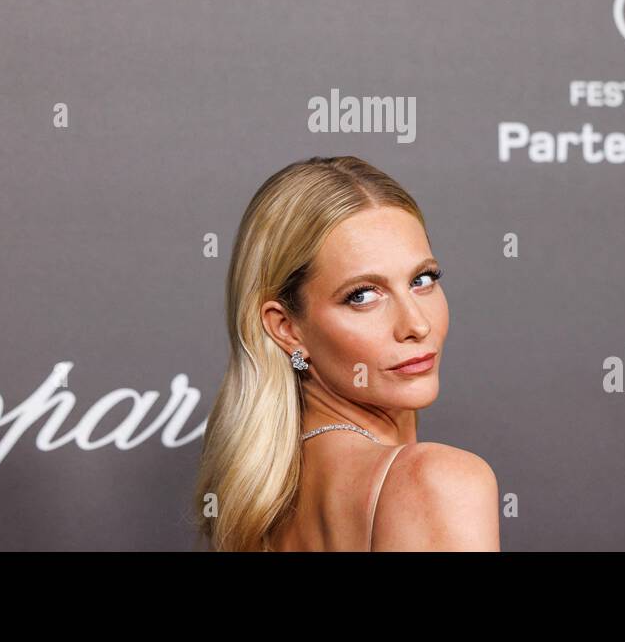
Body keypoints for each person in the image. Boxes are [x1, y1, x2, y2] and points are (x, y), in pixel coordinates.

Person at [191, 155, 499, 551]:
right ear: (286, 327)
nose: (416, 325)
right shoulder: (436, 482)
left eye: (422, 280)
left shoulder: (267, 504)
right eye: (363, 296)